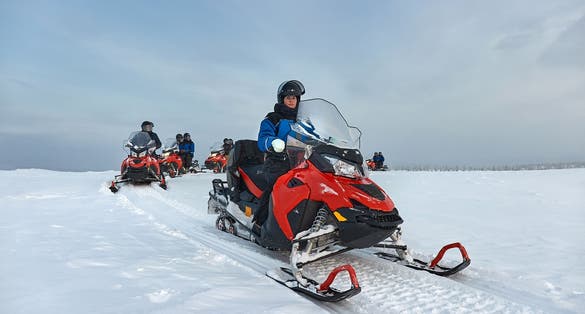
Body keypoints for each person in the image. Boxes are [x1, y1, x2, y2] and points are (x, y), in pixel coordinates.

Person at [254, 80, 305, 229]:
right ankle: (261, 224)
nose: (291, 100)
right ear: (282, 99)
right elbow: (262, 139)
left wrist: (330, 140)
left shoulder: (303, 121)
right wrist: (273, 142)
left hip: (301, 162)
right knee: (277, 187)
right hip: (278, 161)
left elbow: (315, 135)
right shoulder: (272, 118)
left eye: (294, 97)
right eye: (288, 97)